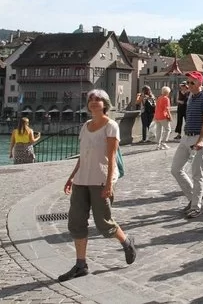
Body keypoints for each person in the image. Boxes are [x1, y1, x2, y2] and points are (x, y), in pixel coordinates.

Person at [57, 90, 136, 282]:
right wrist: (71, 177)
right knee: (76, 222)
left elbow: (111, 158)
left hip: (100, 179)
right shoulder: (85, 126)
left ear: (105, 104)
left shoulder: (111, 126)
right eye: (91, 99)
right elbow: (83, 156)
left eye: (98, 99)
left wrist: (109, 184)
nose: (93, 102)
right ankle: (81, 264)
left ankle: (126, 242)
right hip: (81, 180)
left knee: (104, 223)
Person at [170, 72, 203, 219]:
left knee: (197, 174)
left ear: (200, 83)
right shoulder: (190, 97)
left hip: (198, 138)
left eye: (192, 83)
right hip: (186, 137)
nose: (189, 85)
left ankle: (196, 207)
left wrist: (200, 140)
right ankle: (194, 197)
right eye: (188, 83)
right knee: (175, 169)